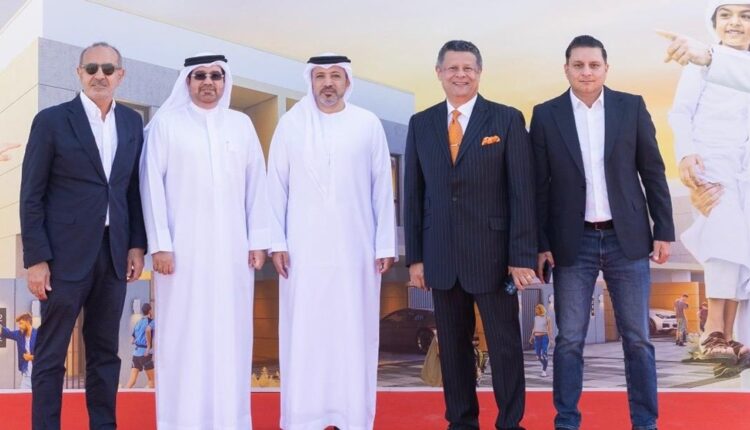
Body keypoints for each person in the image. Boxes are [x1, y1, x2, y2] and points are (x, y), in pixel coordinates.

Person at [531, 35, 674, 430]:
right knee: (569, 339)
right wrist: (541, 243)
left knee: (637, 338)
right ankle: (566, 421)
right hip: (570, 242)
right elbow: (538, 185)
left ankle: (645, 422)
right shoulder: (545, 115)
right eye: (578, 65)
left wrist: (663, 229)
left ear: (606, 68)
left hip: (626, 239)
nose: (587, 72)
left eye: (594, 65)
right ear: (566, 69)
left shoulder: (631, 107)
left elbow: (653, 171)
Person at [404, 40, 537, 430]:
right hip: (441, 257)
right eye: (452, 68)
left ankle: (510, 423)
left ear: (479, 73)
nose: (460, 75)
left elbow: (522, 192)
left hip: (493, 256)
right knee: (453, 348)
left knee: (505, 346)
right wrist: (416, 258)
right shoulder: (421, 124)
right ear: (439, 73)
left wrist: (521, 256)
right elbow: (414, 195)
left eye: (468, 68)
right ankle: (461, 422)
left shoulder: (506, 119)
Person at [20, 41, 146, 430]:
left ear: (120, 75)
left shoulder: (131, 123)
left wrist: (136, 244)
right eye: (91, 68)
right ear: (79, 73)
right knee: (51, 354)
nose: (99, 76)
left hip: (113, 255)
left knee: (106, 354)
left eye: (107, 69)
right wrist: (36, 258)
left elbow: (132, 189)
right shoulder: (52, 121)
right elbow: (31, 193)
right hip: (63, 259)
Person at [140, 53, 270, 430]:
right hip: (181, 254)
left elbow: (256, 185)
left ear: (225, 81)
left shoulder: (241, 124)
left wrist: (257, 241)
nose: (208, 82)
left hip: (233, 251)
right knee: (182, 334)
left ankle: (230, 420)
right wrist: (160, 245)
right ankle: (181, 420)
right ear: (188, 81)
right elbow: (151, 185)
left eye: (216, 75)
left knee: (231, 334)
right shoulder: (166, 125)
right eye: (200, 76)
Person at [267, 53, 396, 430]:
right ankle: (303, 416)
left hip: (356, 250)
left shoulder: (367, 124)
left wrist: (384, 244)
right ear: (310, 81)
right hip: (302, 252)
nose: (328, 83)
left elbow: (381, 187)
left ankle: (351, 415)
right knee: (305, 332)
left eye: (335, 75)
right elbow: (275, 187)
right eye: (320, 76)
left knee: (353, 331)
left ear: (347, 81)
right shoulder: (290, 125)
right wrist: (277, 243)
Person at [660, 29, 750, 92]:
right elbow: (683, 107)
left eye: (746, 16)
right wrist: (710, 57)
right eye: (725, 15)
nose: (734, 22)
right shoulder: (696, 64)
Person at [0, 313, 37, 389]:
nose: (19, 326)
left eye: (21, 323)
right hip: (26, 377)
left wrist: (32, 357)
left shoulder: (39, 335)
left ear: (28, 322)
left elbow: (46, 355)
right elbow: (6, 333)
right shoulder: (19, 334)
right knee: (22, 395)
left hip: (39, 376)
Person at [125, 303, 154, 389]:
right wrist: (148, 346)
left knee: (132, 380)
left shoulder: (138, 322)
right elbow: (148, 330)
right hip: (145, 353)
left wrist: (138, 340)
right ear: (150, 311)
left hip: (136, 354)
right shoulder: (151, 322)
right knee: (152, 380)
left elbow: (132, 340)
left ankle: (122, 395)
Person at [529, 304, 553, 377]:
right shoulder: (536, 318)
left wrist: (551, 339)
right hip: (537, 338)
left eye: (537, 309)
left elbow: (550, 329)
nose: (536, 311)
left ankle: (544, 371)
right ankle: (545, 365)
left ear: (541, 310)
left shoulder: (547, 318)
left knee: (544, 354)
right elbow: (534, 328)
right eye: (535, 309)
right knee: (538, 356)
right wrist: (531, 337)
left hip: (544, 337)